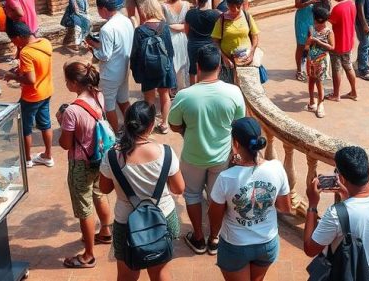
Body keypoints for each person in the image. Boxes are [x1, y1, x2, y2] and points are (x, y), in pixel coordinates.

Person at [169, 44, 247, 256]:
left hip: (193, 155)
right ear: (220, 66)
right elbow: (239, 125)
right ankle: (214, 238)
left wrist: (188, 131)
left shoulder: (185, 95)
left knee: (192, 195)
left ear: (197, 66)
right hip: (222, 156)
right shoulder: (233, 92)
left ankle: (198, 237)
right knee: (216, 198)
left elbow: (173, 124)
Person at [99, 101, 185, 281]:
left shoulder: (113, 156)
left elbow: (104, 188)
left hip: (126, 222)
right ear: (152, 125)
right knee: (160, 272)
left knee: (126, 275)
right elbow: (179, 188)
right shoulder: (166, 153)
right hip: (162, 217)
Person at [209, 117, 291, 280]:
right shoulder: (277, 168)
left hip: (235, 245)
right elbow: (285, 208)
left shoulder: (225, 177)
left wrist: (213, 236)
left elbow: (215, 216)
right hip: (267, 243)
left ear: (236, 144)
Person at [304, 146, 369, 280]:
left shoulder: (336, 214)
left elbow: (310, 248)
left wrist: (312, 205)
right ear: (367, 171)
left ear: (341, 178)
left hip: (342, 274)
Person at [58, 62, 113, 269]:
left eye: (66, 80)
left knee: (84, 208)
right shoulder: (98, 95)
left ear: (74, 83)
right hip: (100, 157)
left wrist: (62, 120)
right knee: (99, 193)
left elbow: (65, 144)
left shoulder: (72, 111)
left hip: (80, 162)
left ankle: (88, 254)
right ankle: (105, 231)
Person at [2, 21, 54, 168]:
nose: (13, 44)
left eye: (13, 41)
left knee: (26, 128)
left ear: (18, 37)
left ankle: (27, 159)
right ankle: (48, 156)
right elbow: (38, 68)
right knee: (45, 124)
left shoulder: (26, 52)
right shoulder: (45, 43)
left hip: (31, 96)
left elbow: (31, 80)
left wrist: (13, 76)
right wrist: (20, 72)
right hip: (46, 91)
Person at [88, 0, 135, 133]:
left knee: (109, 107)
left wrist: (92, 50)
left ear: (103, 9)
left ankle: (115, 135)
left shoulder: (106, 29)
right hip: (124, 68)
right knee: (123, 100)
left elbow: (105, 55)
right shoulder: (126, 20)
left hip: (111, 73)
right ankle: (134, 129)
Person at [131, 0, 176, 133]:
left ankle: (149, 126)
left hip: (147, 68)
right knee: (165, 96)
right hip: (164, 67)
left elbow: (135, 54)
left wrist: (137, 73)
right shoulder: (164, 27)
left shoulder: (140, 30)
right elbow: (170, 50)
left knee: (149, 100)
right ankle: (164, 124)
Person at [211, 0, 261, 78]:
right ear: (228, 5)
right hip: (228, 63)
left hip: (246, 61)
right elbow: (215, 42)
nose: (236, 10)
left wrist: (252, 52)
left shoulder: (247, 16)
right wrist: (224, 57)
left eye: (238, 7)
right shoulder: (222, 19)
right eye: (233, 7)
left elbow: (255, 36)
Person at [327, 0, 359, 101]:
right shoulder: (351, 4)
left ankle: (336, 94)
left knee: (336, 69)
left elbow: (331, 20)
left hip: (338, 44)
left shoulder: (337, 9)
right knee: (348, 67)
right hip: (349, 42)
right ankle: (354, 92)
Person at [186, 0, 221, 85]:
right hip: (210, 44)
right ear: (207, 0)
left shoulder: (190, 13)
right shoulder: (215, 14)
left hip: (193, 44)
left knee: (193, 69)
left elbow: (186, 30)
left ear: (197, 0)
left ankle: (193, 89)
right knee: (210, 67)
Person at [305, 5, 334, 118]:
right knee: (311, 80)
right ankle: (312, 101)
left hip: (321, 61)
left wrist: (317, 41)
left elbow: (331, 47)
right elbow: (307, 46)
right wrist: (309, 43)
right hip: (311, 59)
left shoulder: (328, 32)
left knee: (319, 82)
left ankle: (321, 104)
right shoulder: (311, 29)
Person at [161, 0, 190, 91]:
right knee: (184, 61)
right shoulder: (186, 4)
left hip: (170, 37)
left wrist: (171, 26)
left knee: (172, 62)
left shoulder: (164, 6)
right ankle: (183, 87)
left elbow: (163, 24)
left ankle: (173, 88)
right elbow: (187, 24)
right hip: (183, 36)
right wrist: (181, 27)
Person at [293, 0, 321, 82]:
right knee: (301, 45)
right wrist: (310, 1)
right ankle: (299, 70)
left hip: (312, 19)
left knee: (311, 44)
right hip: (302, 19)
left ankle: (309, 66)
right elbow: (297, 4)